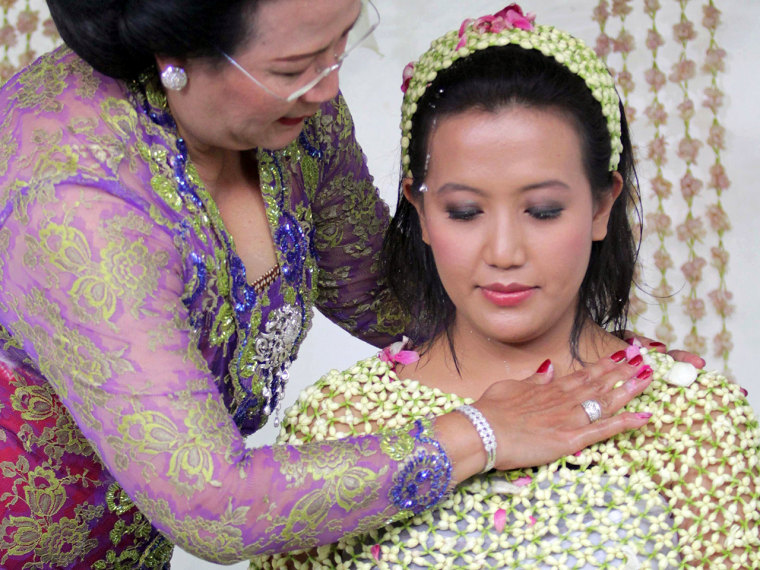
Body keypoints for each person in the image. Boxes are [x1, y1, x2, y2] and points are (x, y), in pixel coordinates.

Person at [0, 1, 701, 567]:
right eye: (298, 65)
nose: (330, 87)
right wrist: (481, 432)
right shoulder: (75, 204)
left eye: (341, 41)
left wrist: (597, 357)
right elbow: (214, 505)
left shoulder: (292, 115)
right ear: (175, 56)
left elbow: (389, 295)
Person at [254, 5, 760, 569]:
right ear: (420, 210)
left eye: (542, 211)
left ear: (601, 206)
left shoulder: (693, 419)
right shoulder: (337, 421)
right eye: (464, 211)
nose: (503, 253)